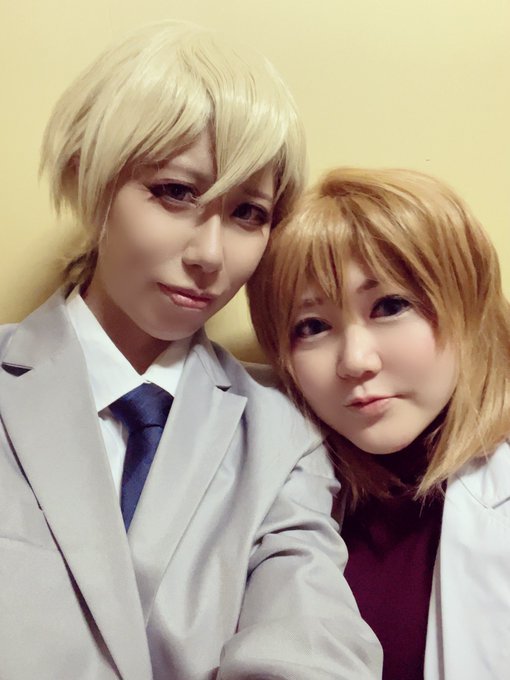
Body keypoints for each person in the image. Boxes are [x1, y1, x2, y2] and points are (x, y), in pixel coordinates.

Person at [0, 25, 383, 680]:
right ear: (89, 180)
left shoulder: (283, 431)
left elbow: (312, 634)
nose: (209, 255)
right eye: (176, 192)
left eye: (248, 213)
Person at [248, 167, 510, 680]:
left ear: (467, 303)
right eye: (312, 326)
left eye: (390, 306)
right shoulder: (281, 496)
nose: (355, 360)